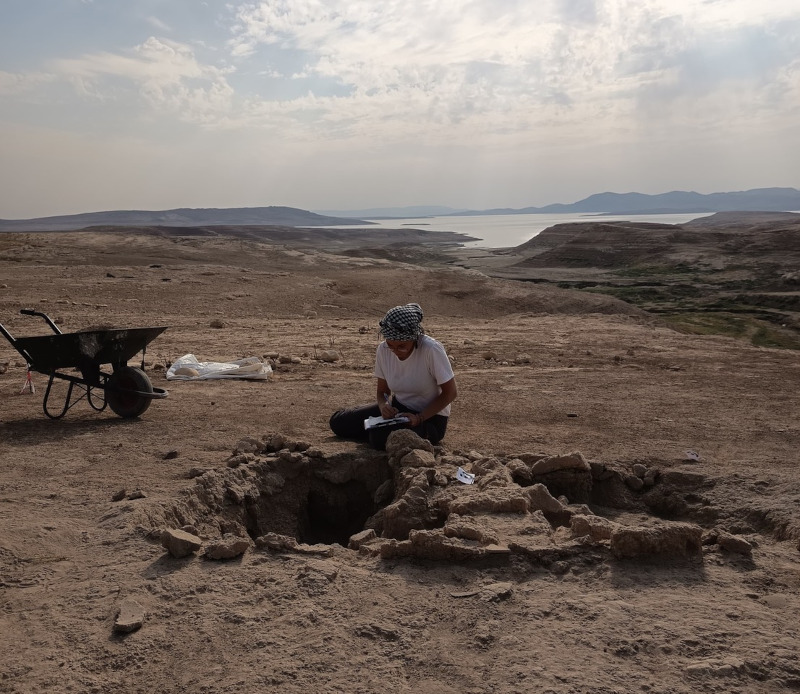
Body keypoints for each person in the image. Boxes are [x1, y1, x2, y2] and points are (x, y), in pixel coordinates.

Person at [329, 303, 457, 450]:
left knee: (379, 438)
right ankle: (376, 431)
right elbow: (382, 391)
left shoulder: (431, 350)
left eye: (402, 346)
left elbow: (450, 393)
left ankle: (411, 435)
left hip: (430, 418)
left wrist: (419, 418)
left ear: (414, 338)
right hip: (398, 411)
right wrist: (384, 405)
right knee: (338, 422)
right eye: (391, 345)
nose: (395, 351)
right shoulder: (383, 350)